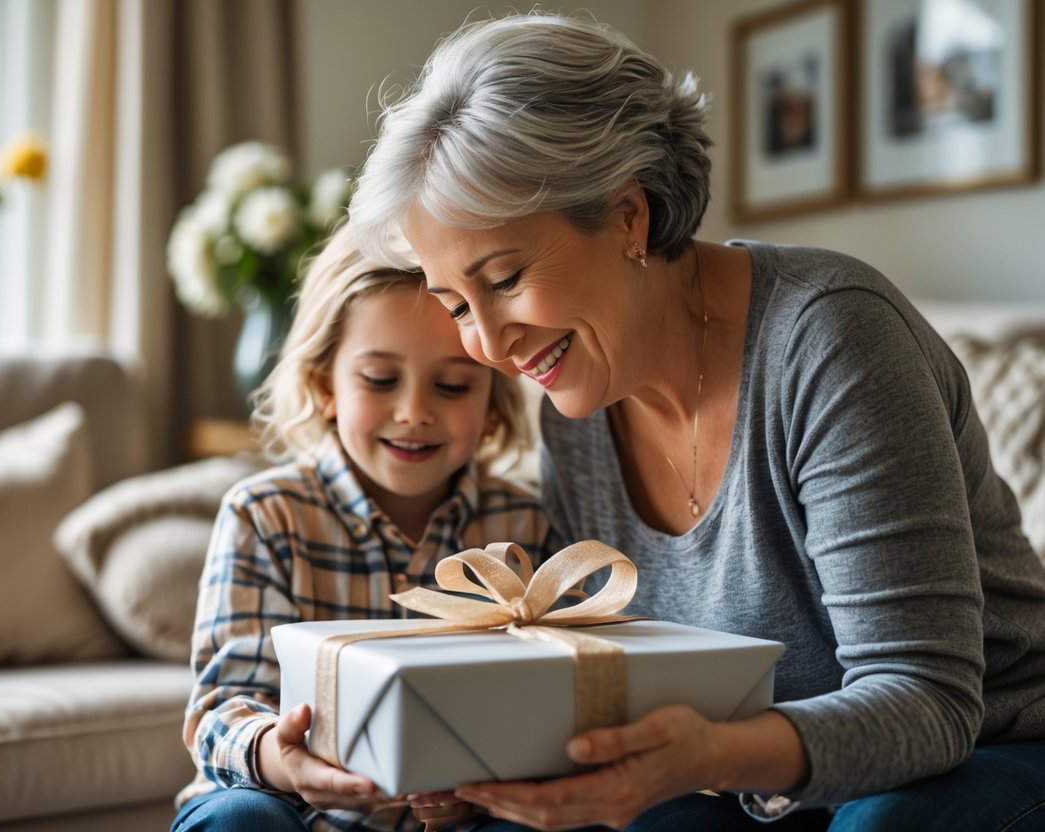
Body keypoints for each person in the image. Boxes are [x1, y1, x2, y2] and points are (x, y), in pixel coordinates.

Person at [347, 11, 1045, 831]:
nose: (490, 345)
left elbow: (926, 700)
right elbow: (618, 680)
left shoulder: (830, 339)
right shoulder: (576, 404)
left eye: (503, 278)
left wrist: (710, 755)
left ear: (627, 216)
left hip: (982, 741)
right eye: (456, 303)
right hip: (750, 771)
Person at [170, 223, 549, 832]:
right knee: (240, 819)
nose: (415, 412)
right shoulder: (264, 515)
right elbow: (223, 709)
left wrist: (482, 783)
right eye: (379, 379)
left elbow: (546, 701)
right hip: (289, 807)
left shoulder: (524, 524)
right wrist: (285, 760)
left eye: (452, 385)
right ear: (325, 387)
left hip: (464, 817)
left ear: (490, 407)